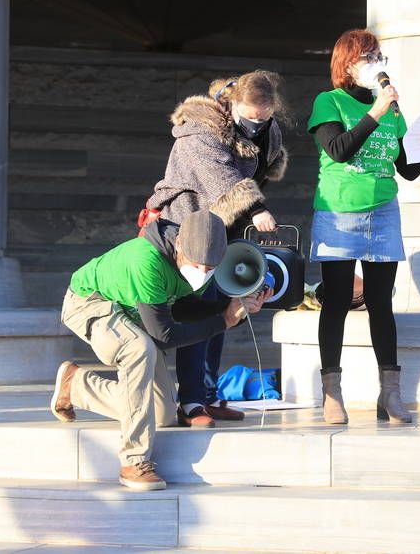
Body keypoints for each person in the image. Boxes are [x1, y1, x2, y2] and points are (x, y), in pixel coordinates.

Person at [50, 210, 271, 490]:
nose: (202, 273)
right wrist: (223, 320)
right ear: (179, 244)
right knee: (139, 347)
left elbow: (187, 312)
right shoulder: (147, 260)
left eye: (210, 268)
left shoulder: (200, 263)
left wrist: (234, 311)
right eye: (197, 265)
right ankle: (134, 460)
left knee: (162, 413)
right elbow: (163, 334)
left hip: (133, 313)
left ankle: (76, 386)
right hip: (89, 302)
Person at [307, 29, 420, 425]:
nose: (377, 64)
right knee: (335, 301)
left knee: (381, 302)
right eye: (368, 57)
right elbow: (338, 149)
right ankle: (332, 393)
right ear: (347, 64)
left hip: (383, 210)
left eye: (379, 56)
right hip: (339, 210)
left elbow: (406, 168)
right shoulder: (329, 101)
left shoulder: (390, 108)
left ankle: (390, 393)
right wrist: (375, 112)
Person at [140, 70, 288, 429]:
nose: (257, 124)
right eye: (251, 116)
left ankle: (206, 393)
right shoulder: (199, 130)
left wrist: (246, 215)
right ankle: (190, 400)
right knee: (197, 308)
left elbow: (264, 169)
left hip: (224, 227)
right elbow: (222, 177)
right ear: (232, 103)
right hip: (185, 225)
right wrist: (258, 209)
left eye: (264, 117)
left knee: (223, 306)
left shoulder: (267, 129)